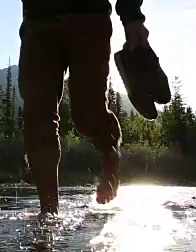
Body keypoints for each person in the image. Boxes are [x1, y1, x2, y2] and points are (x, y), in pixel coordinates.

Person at [18, 0, 150, 215]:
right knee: (38, 118)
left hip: (89, 16)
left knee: (88, 116)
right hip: (38, 20)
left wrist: (132, 16)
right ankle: (48, 214)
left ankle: (111, 154)